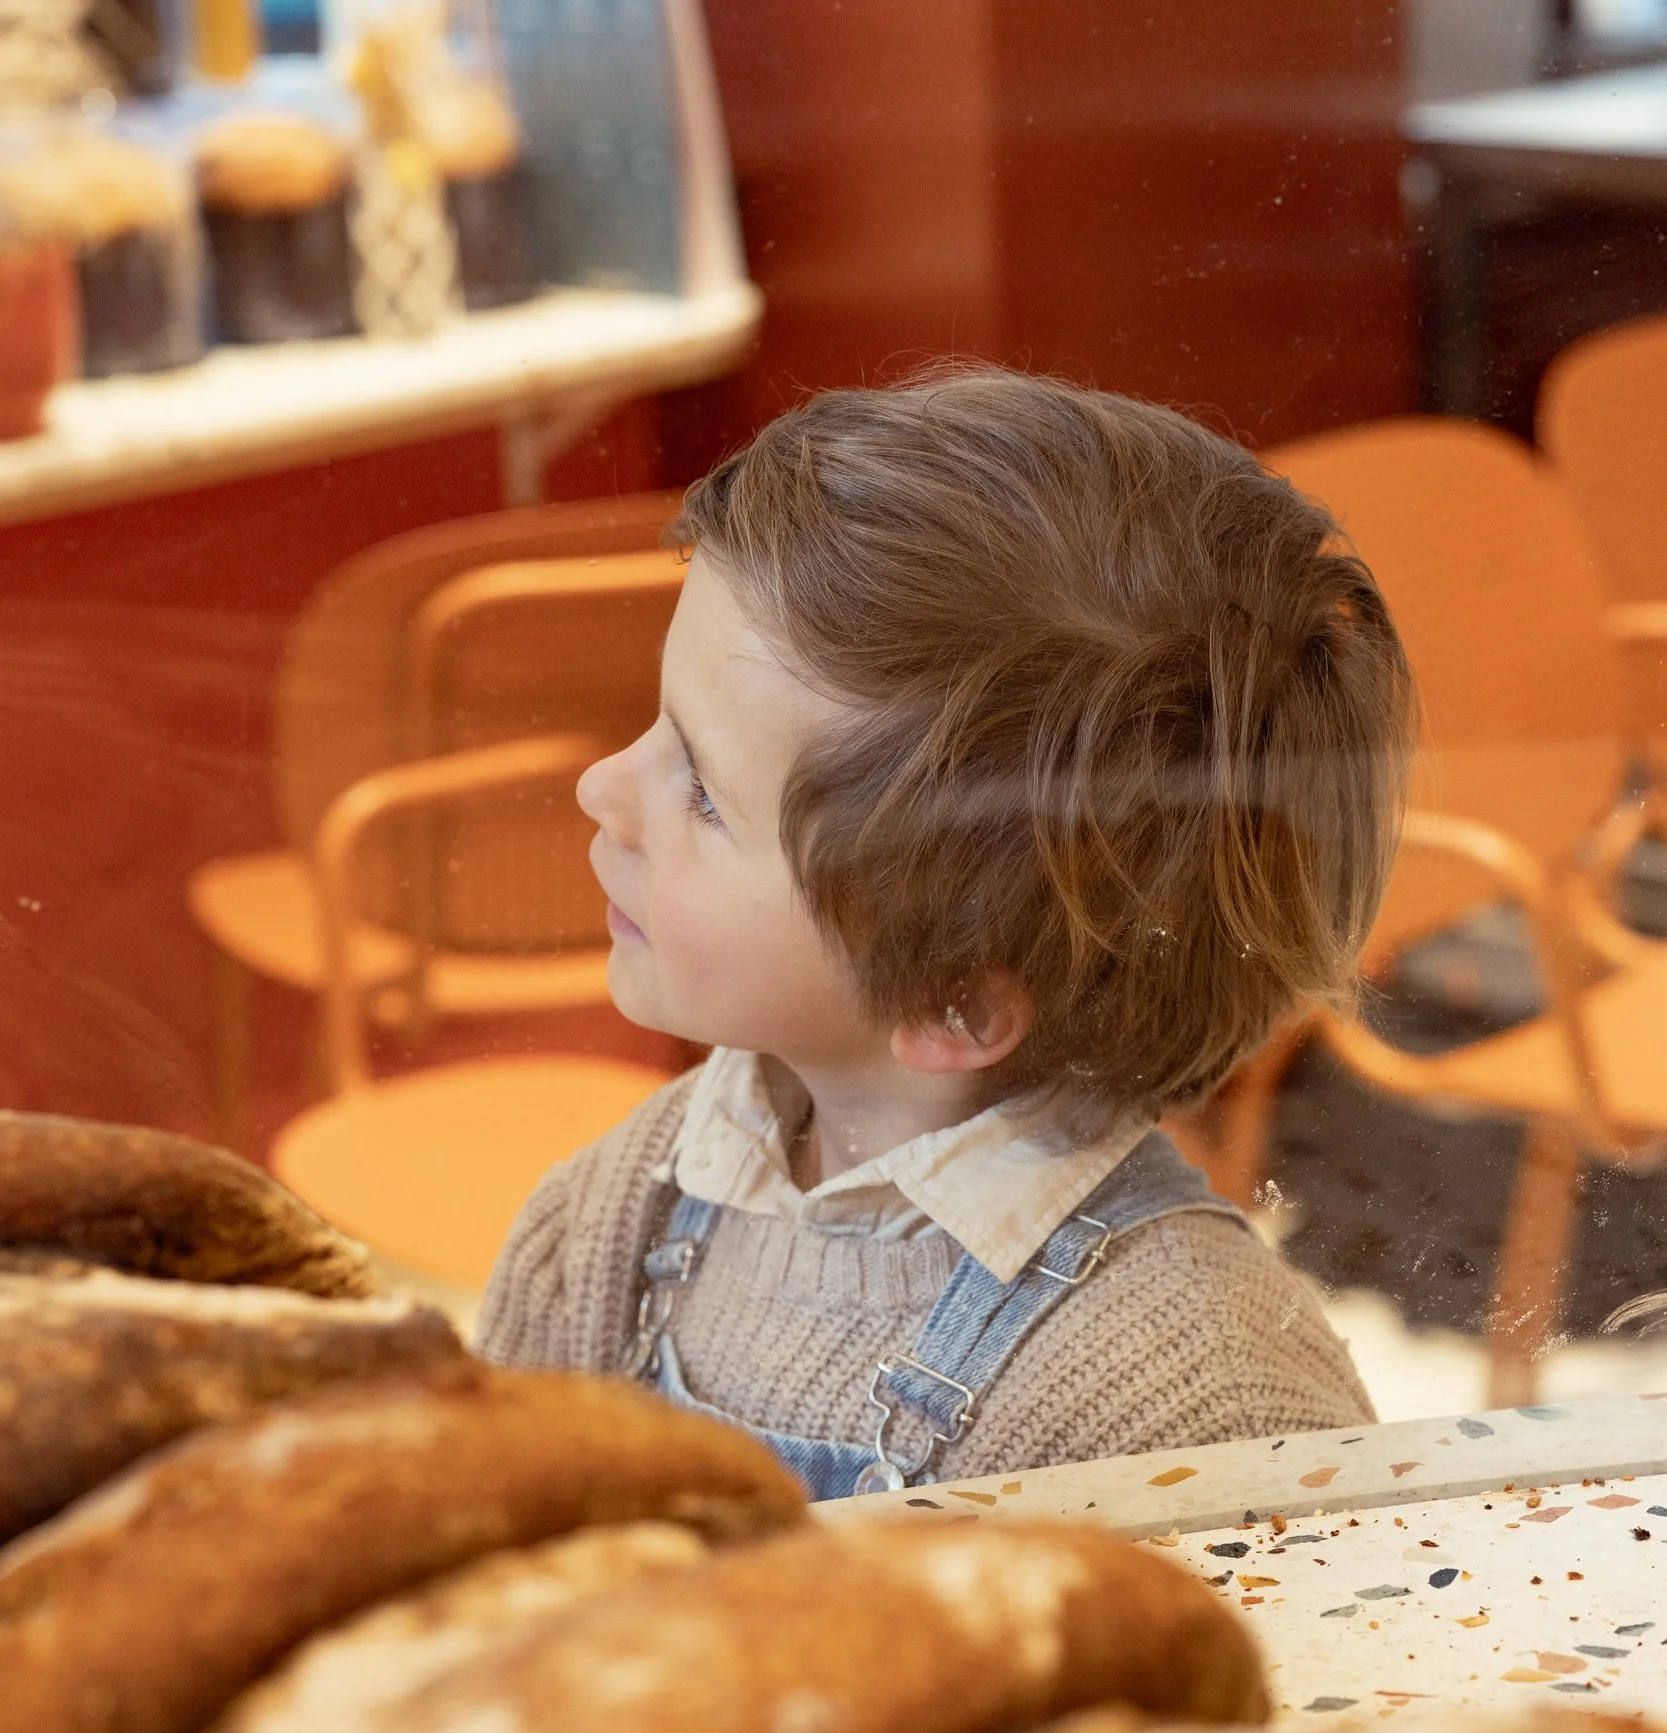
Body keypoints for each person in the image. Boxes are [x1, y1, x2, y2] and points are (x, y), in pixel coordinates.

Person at [477, 367, 1414, 1497]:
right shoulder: (625, 1205)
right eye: (655, 729)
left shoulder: (1198, 1402)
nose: (601, 787)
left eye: (706, 793)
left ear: (951, 1001)